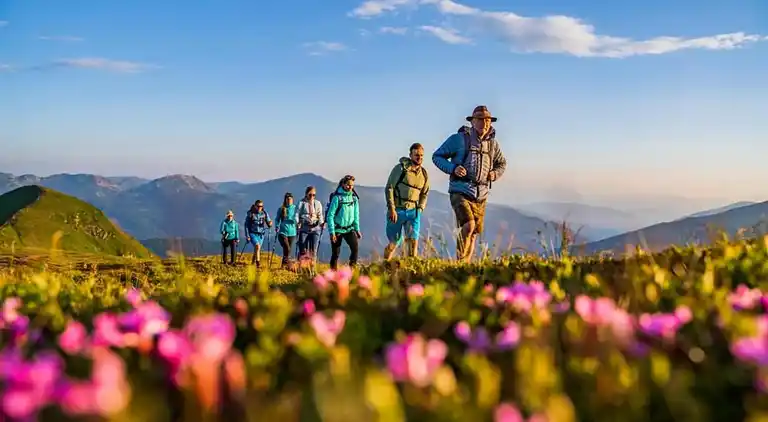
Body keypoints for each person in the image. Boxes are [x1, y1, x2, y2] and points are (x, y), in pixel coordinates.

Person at [432, 105, 507, 263]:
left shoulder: (493, 144)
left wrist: (494, 174)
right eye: (480, 119)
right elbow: (437, 156)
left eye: (487, 120)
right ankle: (459, 262)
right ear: (472, 121)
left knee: (474, 233)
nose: (484, 123)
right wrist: (453, 168)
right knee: (469, 225)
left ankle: (465, 265)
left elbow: (501, 164)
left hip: (481, 194)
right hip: (460, 190)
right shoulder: (459, 139)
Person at [384, 143, 430, 260]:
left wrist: (420, 208)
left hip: (413, 211)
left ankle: (411, 267)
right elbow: (389, 188)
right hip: (397, 210)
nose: (419, 158)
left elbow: (425, 193)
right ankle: (385, 263)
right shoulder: (400, 169)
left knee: (413, 242)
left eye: (421, 155)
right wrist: (392, 208)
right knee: (394, 242)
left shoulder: (424, 174)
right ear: (410, 155)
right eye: (416, 155)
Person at [326, 175, 361, 270]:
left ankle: (352, 270)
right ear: (343, 184)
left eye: (352, 185)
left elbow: (356, 215)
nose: (350, 187)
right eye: (348, 185)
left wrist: (357, 229)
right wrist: (332, 232)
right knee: (336, 253)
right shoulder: (337, 198)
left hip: (349, 229)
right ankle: (333, 273)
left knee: (355, 249)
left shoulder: (354, 198)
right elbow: (330, 216)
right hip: (337, 229)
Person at [296, 186, 324, 265]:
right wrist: (297, 222)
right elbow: (297, 214)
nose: (312, 196)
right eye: (310, 194)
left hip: (315, 228)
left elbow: (320, 215)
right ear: (306, 194)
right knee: (303, 249)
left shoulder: (318, 203)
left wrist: (322, 223)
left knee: (313, 250)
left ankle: (312, 267)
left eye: (314, 195)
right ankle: (302, 265)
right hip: (304, 228)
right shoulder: (301, 203)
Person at [244, 199, 272, 268]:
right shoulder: (251, 214)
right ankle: (258, 264)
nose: (260, 207)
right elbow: (246, 225)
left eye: (261, 206)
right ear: (255, 206)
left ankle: (252, 263)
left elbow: (269, 221)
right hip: (252, 233)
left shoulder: (264, 213)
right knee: (257, 246)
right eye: (258, 206)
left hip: (261, 234)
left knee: (257, 249)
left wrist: (270, 223)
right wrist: (247, 236)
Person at [275, 192, 298, 269]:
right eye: (287, 199)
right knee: (287, 248)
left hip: (292, 232)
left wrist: (297, 222)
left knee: (287, 250)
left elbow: (298, 218)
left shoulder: (295, 208)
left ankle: (284, 266)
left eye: (290, 199)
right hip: (282, 231)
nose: (289, 200)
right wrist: (277, 226)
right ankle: (287, 265)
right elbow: (277, 219)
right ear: (285, 200)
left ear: (292, 199)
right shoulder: (281, 209)